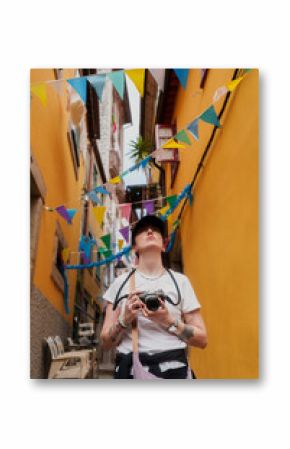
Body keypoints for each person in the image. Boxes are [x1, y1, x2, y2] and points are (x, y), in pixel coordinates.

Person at [100, 215, 207, 379]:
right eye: (143, 230)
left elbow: (202, 340)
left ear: (164, 245)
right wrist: (124, 319)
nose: (150, 231)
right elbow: (105, 343)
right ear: (134, 247)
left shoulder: (181, 282)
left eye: (156, 230)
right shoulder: (119, 283)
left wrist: (168, 321)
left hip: (174, 370)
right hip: (130, 371)